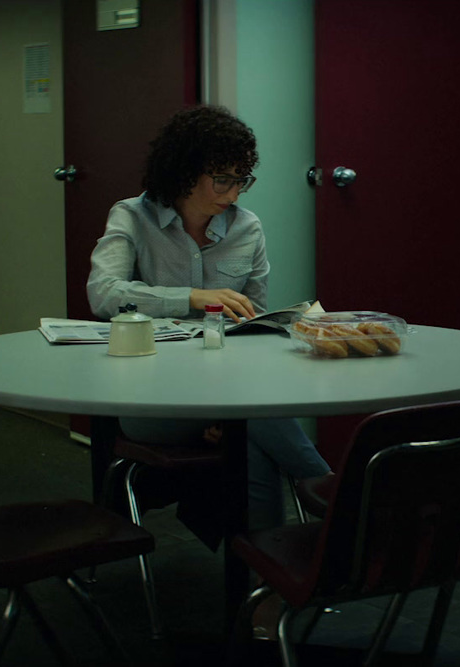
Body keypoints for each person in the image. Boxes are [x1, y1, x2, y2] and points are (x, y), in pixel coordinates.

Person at [86, 105, 333, 534]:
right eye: (223, 179)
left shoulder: (247, 228)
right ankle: (333, 490)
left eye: (242, 180)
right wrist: (191, 297)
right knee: (254, 417)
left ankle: (263, 587)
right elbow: (103, 294)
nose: (234, 194)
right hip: (153, 398)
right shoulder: (131, 216)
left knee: (250, 437)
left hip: (230, 394)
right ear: (185, 172)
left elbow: (252, 323)